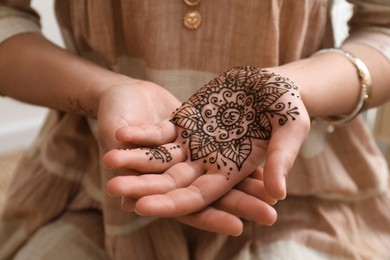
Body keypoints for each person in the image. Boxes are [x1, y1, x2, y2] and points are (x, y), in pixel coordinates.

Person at [0, 0, 389, 259]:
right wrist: (102, 91)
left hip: (305, 193)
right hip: (89, 188)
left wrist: (289, 90)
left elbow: (382, 26)